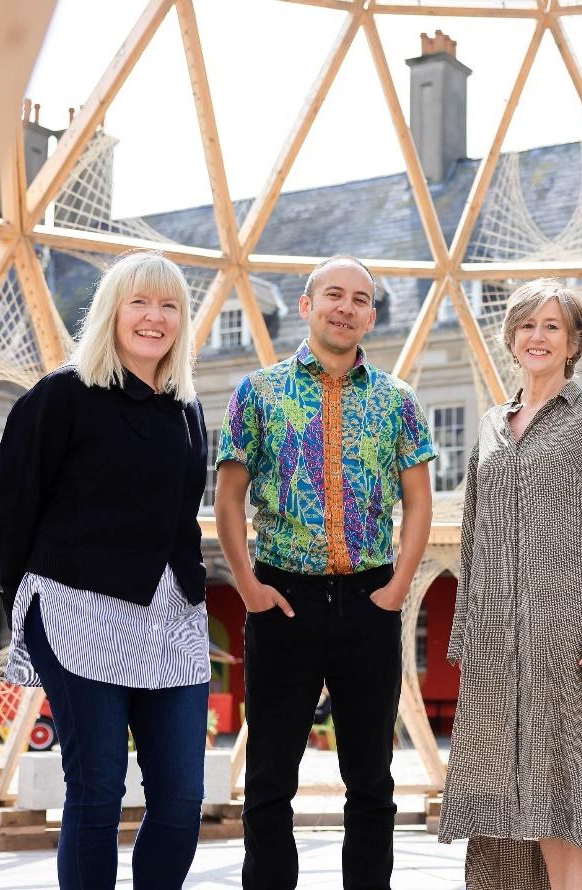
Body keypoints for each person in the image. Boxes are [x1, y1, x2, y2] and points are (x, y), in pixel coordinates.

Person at [0, 249, 210, 890]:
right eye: (140, 302)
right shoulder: (61, 397)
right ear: (112, 311)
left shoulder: (186, 409)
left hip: (170, 616)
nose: (155, 317)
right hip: (76, 608)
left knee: (180, 798)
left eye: (170, 306)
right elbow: (12, 509)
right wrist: (24, 602)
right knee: (97, 786)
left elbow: (180, 519)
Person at [214, 255, 436, 890]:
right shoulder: (257, 393)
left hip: (371, 601)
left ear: (371, 314)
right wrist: (249, 588)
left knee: (371, 781)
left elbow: (418, 500)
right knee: (269, 783)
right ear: (306, 306)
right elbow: (228, 497)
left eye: (361, 299)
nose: (347, 307)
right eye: (333, 295)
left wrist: (396, 590)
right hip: (284, 601)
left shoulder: (398, 400)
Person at [439, 279, 582, 890]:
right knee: (506, 802)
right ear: (510, 337)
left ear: (574, 342)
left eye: (553, 326)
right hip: (499, 651)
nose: (538, 336)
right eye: (527, 324)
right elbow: (472, 538)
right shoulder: (490, 428)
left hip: (574, 646)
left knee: (572, 797)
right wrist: (466, 634)